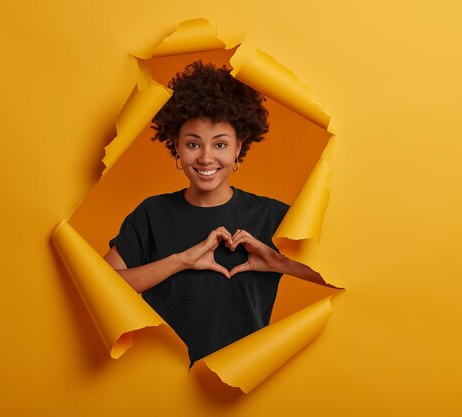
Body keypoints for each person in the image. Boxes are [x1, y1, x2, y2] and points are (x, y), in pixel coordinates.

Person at [104, 61, 333, 365]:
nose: (206, 157)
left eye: (221, 144)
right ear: (176, 146)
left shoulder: (272, 217)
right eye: (193, 144)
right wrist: (180, 261)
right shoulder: (152, 213)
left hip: (242, 377)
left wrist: (280, 262)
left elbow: (339, 277)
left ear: (239, 147)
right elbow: (103, 287)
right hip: (161, 379)